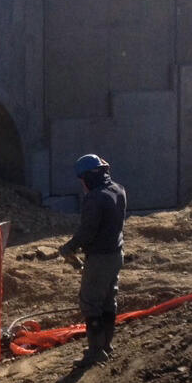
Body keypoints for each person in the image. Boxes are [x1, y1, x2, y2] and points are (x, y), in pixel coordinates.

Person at [58, 153, 128, 367]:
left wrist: (69, 247)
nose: (82, 184)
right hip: (116, 254)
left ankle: (95, 353)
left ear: (88, 177)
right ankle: (106, 345)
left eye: (82, 179)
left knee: (90, 303)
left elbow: (87, 231)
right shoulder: (118, 190)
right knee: (108, 300)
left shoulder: (94, 198)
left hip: (99, 258)